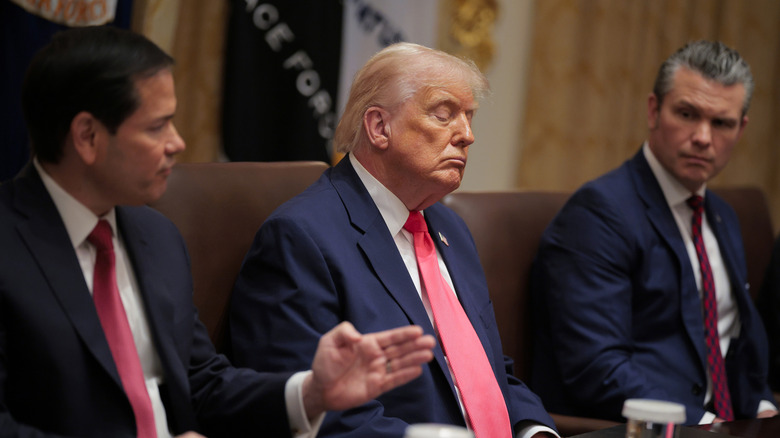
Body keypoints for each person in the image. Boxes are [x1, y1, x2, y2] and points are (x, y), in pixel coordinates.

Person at [0, 25, 436, 438]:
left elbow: (202, 385)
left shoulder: (155, 236)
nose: (178, 142)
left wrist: (312, 392)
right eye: (157, 127)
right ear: (87, 137)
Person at [228, 42, 558, 438]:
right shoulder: (301, 238)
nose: (467, 136)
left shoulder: (451, 228)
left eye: (469, 118)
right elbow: (311, 411)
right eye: (444, 114)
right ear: (379, 127)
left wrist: (535, 430)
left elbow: (486, 371)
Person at [530, 40, 778, 425]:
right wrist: (700, 423)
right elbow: (597, 368)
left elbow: (733, 344)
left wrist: (764, 411)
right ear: (653, 111)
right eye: (686, 113)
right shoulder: (599, 213)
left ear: (741, 129)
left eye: (721, 123)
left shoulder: (722, 216)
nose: (702, 137)